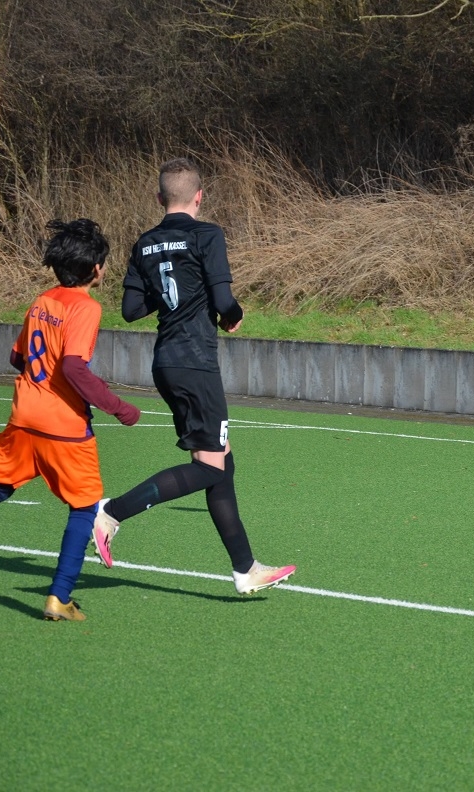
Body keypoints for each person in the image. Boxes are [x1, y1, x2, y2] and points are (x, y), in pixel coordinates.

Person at [91, 157, 295, 594]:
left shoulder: (145, 242)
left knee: (222, 461)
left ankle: (245, 568)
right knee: (209, 469)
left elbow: (131, 310)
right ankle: (111, 512)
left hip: (166, 362)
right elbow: (224, 301)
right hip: (195, 363)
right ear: (199, 196)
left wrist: (173, 293)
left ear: (159, 198)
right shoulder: (207, 235)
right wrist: (233, 315)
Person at [0, 219, 141, 620]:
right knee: (84, 507)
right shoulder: (87, 307)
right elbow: (74, 368)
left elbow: (18, 357)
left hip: (25, 416)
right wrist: (119, 407)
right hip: (64, 427)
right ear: (96, 269)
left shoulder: (43, 301)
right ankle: (59, 597)